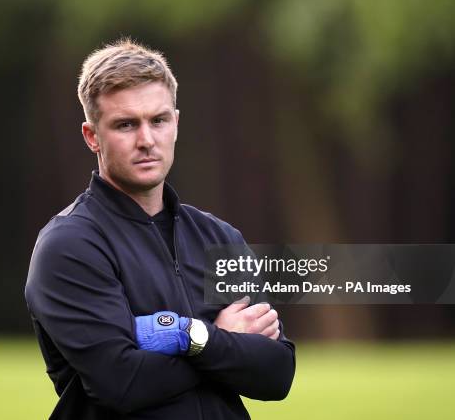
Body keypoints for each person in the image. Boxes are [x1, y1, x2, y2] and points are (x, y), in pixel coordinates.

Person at [25, 38, 295, 419]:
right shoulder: (69, 245)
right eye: (125, 124)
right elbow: (121, 383)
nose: (147, 140)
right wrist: (215, 340)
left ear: (176, 123)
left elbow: (276, 373)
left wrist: (183, 337)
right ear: (91, 136)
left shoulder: (219, 238)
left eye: (159, 120)